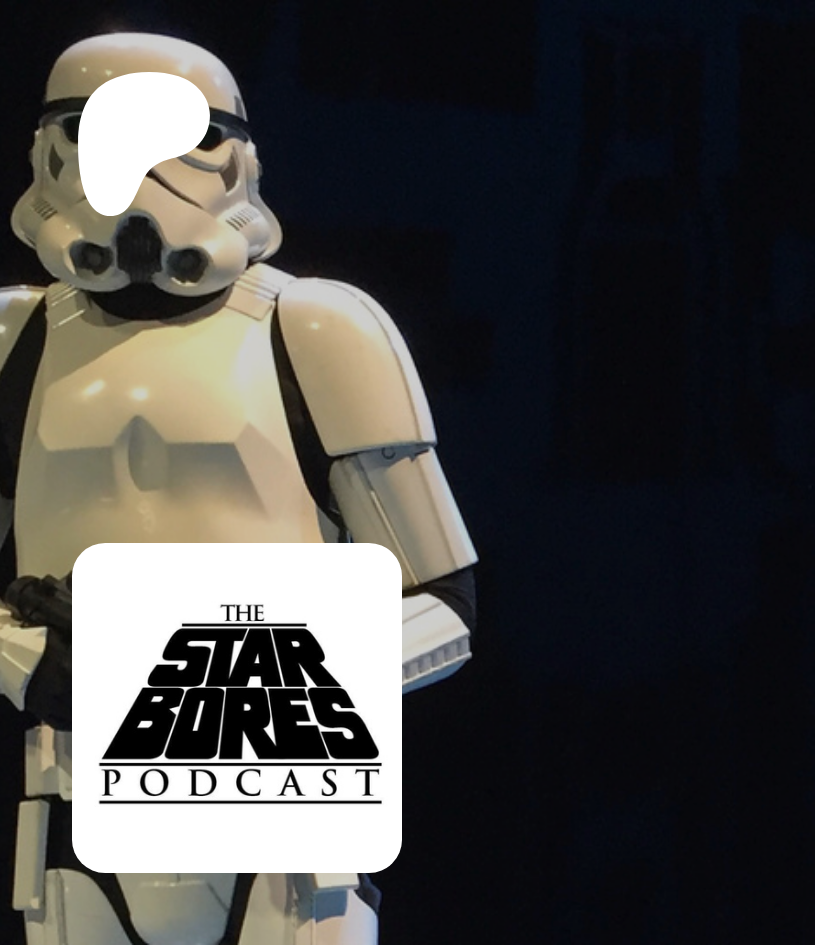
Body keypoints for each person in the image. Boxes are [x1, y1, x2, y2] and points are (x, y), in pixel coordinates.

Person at [0, 32, 477, 944]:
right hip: (78, 804)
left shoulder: (319, 328)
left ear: (236, 157)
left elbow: (444, 607)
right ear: (53, 150)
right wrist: (38, 663)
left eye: (176, 139)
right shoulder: (17, 339)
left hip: (285, 824)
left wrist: (211, 674)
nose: (145, 175)